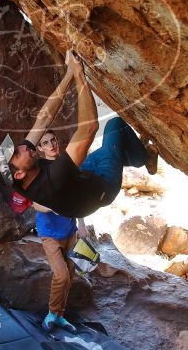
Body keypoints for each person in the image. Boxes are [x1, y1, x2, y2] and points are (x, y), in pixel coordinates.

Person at [8, 49, 150, 219]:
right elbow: (89, 128)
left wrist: (69, 74)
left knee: (108, 150)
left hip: (82, 175)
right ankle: (144, 157)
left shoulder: (17, 173)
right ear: (20, 174)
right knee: (115, 125)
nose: (23, 146)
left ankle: (126, 155)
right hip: (103, 187)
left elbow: (43, 119)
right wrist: (79, 74)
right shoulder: (53, 183)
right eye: (17, 152)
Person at [31, 131, 79, 333]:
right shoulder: (39, 173)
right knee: (61, 276)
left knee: (70, 275)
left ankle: (60, 315)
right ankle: (51, 314)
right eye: (45, 143)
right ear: (40, 148)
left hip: (70, 230)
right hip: (49, 233)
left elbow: (80, 197)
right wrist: (54, 206)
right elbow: (35, 204)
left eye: (53, 140)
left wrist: (82, 225)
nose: (51, 145)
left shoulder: (68, 166)